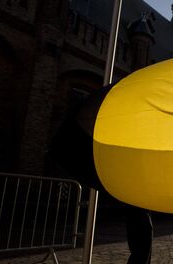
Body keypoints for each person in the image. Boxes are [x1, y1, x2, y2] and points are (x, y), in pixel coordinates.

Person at [49, 84, 153, 264]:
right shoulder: (122, 106)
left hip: (110, 163)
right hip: (95, 154)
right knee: (140, 217)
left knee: (140, 217)